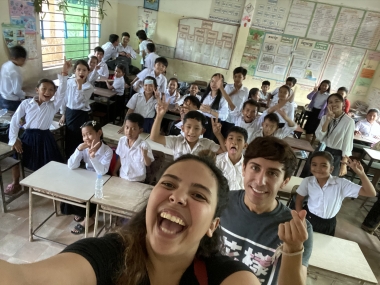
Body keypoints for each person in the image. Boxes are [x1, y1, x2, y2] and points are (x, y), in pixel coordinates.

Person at [1, 154, 261, 285]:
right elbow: (24, 279)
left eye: (198, 195)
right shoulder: (107, 256)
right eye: (169, 184)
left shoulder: (226, 277)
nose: (177, 197)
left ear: (213, 225)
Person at [220, 136, 313, 285]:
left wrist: (293, 250)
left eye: (272, 173)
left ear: (285, 181)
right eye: (255, 168)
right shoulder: (221, 202)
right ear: (244, 168)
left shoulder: (297, 228)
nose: (260, 181)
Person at [6, 58, 70, 194]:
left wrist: (64, 73)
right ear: (37, 90)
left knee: (50, 162)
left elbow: (62, 92)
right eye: (44, 89)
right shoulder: (26, 104)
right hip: (28, 137)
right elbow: (15, 120)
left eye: (51, 90)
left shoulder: (52, 105)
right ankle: (16, 182)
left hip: (45, 137)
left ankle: (47, 185)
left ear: (54, 93)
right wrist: (14, 139)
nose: (48, 92)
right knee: (16, 158)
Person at [296, 151, 376, 236]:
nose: (318, 168)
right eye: (314, 164)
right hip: (309, 218)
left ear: (331, 169)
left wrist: (361, 174)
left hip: (328, 223)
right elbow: (299, 200)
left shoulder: (341, 183)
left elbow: (371, 193)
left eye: (323, 165)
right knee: (304, 243)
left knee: (322, 246)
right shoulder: (307, 181)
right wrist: (300, 217)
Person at [63, 120, 113, 234]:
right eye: (84, 135)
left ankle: (88, 219)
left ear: (99, 133)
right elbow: (71, 166)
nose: (86, 138)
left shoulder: (107, 150)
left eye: (89, 134)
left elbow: (102, 171)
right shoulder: (83, 147)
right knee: (71, 189)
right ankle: (82, 212)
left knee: (94, 192)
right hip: (87, 174)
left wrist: (93, 157)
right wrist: (79, 150)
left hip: (102, 178)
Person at [151, 96, 226, 160]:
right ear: (182, 128)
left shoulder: (206, 143)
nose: (192, 132)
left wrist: (218, 134)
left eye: (196, 128)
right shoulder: (177, 141)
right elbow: (154, 138)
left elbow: (225, 151)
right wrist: (159, 116)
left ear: (202, 131)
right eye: (188, 127)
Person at [301, 93, 355, 177]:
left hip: (336, 155)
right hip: (321, 149)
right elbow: (319, 136)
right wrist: (327, 120)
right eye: (330, 102)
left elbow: (347, 144)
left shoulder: (349, 122)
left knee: (327, 180)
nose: (333, 104)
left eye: (337, 101)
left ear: (343, 103)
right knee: (310, 175)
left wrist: (344, 164)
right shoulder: (324, 117)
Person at [60, 60, 94, 158]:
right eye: (78, 69)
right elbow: (64, 99)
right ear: (74, 71)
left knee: (81, 137)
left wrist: (79, 86)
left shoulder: (89, 87)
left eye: (84, 70)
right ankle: (70, 158)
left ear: (88, 72)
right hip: (70, 113)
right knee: (70, 137)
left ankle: (81, 158)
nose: (81, 72)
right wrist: (63, 114)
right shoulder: (69, 82)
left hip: (81, 115)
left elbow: (78, 101)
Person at [112, 113, 154, 182]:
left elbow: (148, 163)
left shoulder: (144, 145)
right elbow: (120, 158)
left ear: (140, 131)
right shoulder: (122, 140)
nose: (129, 131)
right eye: (127, 127)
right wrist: (114, 172)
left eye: (133, 129)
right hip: (123, 176)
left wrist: (145, 155)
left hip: (137, 180)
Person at [216, 126, 248, 191]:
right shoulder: (217, 161)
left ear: (245, 145)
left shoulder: (248, 165)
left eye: (239, 139)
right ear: (225, 142)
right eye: (231, 138)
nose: (234, 142)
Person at [199, 73, 229, 141]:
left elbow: (224, 116)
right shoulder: (206, 94)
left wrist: (210, 111)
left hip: (213, 124)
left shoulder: (223, 98)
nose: (213, 84)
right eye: (212, 81)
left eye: (217, 82)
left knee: (208, 145)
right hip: (202, 121)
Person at [0, 45, 27, 111]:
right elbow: (17, 91)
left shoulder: (5, 65)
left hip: (2, 97)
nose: (24, 62)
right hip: (11, 101)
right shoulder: (15, 72)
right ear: (14, 58)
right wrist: (24, 96)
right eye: (22, 60)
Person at [222, 67, 249, 134]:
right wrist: (232, 93)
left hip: (236, 119)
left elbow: (245, 105)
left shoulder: (245, 90)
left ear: (244, 78)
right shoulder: (228, 86)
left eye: (239, 77)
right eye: (235, 76)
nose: (237, 79)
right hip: (225, 117)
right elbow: (222, 100)